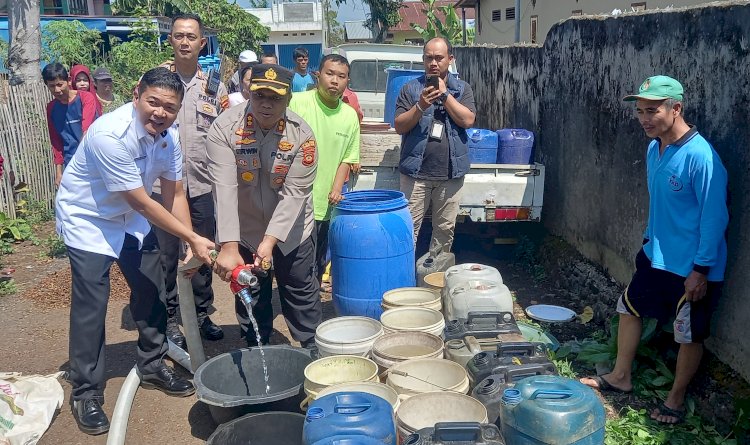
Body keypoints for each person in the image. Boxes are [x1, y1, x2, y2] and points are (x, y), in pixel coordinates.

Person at [55, 67, 216, 435]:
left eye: (169, 107)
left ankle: (152, 363)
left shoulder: (168, 139)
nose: (159, 112)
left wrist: (190, 237)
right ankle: (86, 391)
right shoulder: (109, 135)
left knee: (152, 287)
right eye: (153, 102)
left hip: (128, 217)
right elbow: (144, 202)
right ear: (136, 95)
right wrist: (193, 240)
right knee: (91, 303)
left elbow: (174, 193)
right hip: (89, 218)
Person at [580, 75, 729, 425]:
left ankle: (675, 399)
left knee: (687, 333)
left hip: (693, 265)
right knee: (629, 307)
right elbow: (659, 203)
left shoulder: (702, 157)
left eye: (653, 111)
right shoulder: (654, 147)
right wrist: (648, 241)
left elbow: (714, 217)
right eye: (640, 112)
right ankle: (621, 375)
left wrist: (701, 270)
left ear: (676, 109)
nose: (645, 119)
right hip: (657, 255)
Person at [207, 63, 322, 351]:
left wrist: (269, 242)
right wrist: (230, 246)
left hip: (292, 230)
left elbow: (295, 193)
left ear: (288, 99)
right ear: (248, 93)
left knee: (299, 292)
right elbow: (224, 188)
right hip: (243, 229)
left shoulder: (302, 136)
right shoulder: (224, 128)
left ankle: (313, 349)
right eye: (260, 96)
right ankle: (257, 347)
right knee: (249, 291)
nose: (267, 105)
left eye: (276, 98)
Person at [153, 13, 229, 349]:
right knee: (167, 256)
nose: (185, 42)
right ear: (171, 40)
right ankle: (169, 319)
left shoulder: (215, 88)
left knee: (202, 251)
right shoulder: (155, 81)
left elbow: (225, 135)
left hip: (201, 185)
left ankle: (200, 314)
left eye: (191, 37)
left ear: (202, 43)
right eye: (179, 36)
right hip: (162, 188)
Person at [394, 37, 476, 255]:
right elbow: (400, 126)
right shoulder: (410, 90)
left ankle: (435, 280)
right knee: (408, 231)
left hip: (450, 176)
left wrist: (445, 95)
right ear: (423, 59)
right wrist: (420, 105)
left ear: (450, 59)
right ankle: (405, 282)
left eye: (439, 58)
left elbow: (467, 120)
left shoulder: (462, 89)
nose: (433, 63)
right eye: (428, 58)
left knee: (443, 232)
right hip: (415, 175)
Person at [289, 54, 360, 289]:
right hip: (295, 200)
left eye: (341, 76)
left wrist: (337, 188)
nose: (334, 81)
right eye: (330, 74)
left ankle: (313, 299)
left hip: (326, 203)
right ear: (318, 75)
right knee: (296, 261)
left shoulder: (349, 116)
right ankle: (302, 303)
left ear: (347, 81)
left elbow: (347, 158)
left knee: (320, 259)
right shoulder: (297, 103)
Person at [43, 62, 101, 186]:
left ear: (68, 81)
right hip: (70, 162)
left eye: (60, 84)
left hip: (94, 159)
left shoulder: (86, 98)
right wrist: (59, 172)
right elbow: (56, 140)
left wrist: (79, 165)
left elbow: (86, 130)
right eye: (52, 86)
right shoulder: (51, 108)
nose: (57, 90)